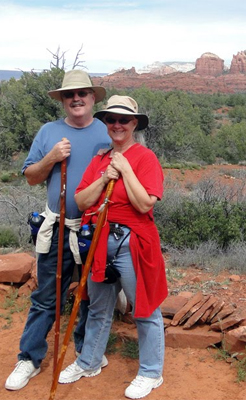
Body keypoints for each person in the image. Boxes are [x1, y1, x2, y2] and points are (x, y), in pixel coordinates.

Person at [5, 70, 112, 391]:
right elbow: (32, 177)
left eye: (82, 93)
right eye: (69, 95)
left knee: (91, 295)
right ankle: (30, 358)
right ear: (63, 101)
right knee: (45, 295)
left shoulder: (108, 133)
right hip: (58, 227)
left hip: (93, 229)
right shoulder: (49, 132)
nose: (76, 99)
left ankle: (84, 350)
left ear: (93, 98)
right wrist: (51, 158)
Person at [58, 95, 168, 399]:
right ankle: (89, 361)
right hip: (100, 241)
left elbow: (146, 203)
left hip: (133, 242)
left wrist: (126, 170)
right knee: (98, 307)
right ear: (106, 123)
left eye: (124, 120)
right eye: (111, 120)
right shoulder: (99, 160)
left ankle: (150, 372)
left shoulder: (145, 158)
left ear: (134, 123)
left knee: (144, 309)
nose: (117, 125)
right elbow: (81, 201)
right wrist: (105, 176)